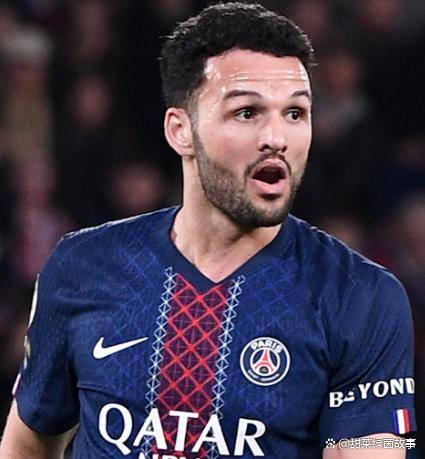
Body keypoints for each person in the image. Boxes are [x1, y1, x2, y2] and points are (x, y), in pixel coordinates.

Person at [0, 3, 416, 458]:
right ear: (180, 130)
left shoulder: (361, 296)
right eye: (247, 112)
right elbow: (28, 441)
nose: (277, 137)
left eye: (295, 113)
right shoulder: (83, 266)